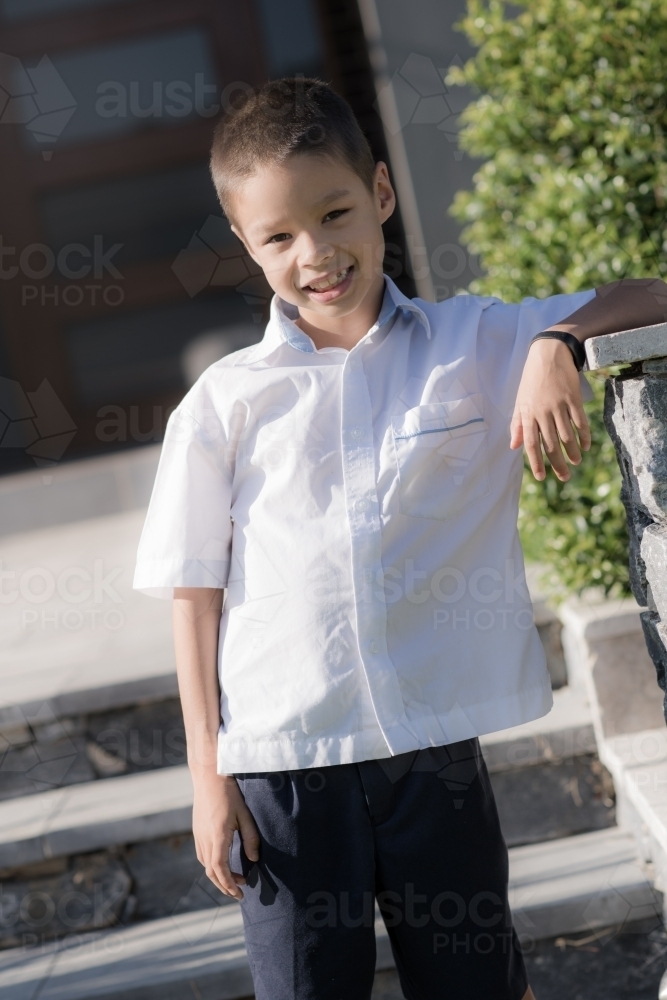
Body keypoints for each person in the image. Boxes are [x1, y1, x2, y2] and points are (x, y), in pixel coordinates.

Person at [133, 78, 667, 1000]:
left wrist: (554, 342)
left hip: (434, 760)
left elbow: (648, 293)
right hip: (282, 774)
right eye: (278, 236)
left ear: (380, 192)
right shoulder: (223, 403)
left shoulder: (474, 343)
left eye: (334, 213)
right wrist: (208, 778)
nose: (315, 252)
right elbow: (194, 597)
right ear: (246, 244)